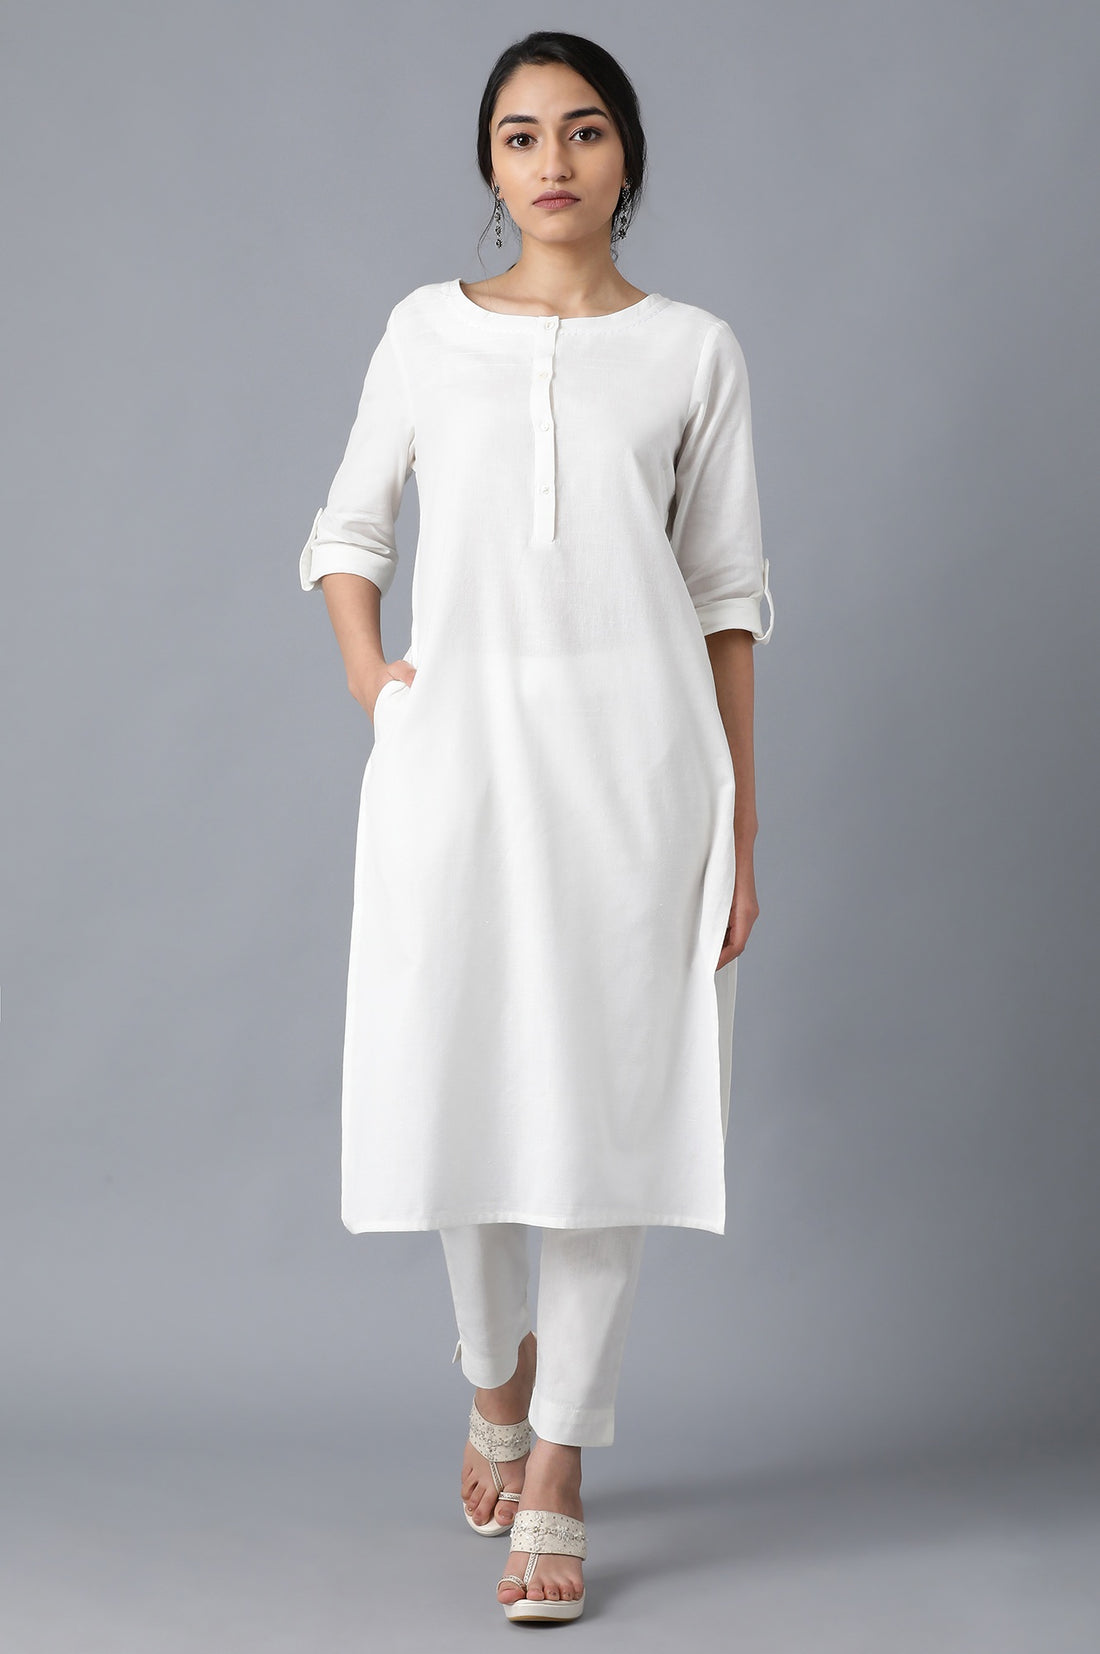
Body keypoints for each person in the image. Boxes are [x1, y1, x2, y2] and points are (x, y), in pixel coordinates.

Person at [299, 29, 774, 1626]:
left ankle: (560, 1452)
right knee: (457, 1087)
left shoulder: (694, 352)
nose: (552, 161)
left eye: (582, 130)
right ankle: (492, 1371)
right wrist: (378, 684)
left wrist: (743, 825)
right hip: (458, 770)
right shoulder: (424, 333)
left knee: (606, 1120)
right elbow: (348, 527)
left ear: (626, 154)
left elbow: (728, 596)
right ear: (490, 164)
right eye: (520, 135)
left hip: (642, 775)